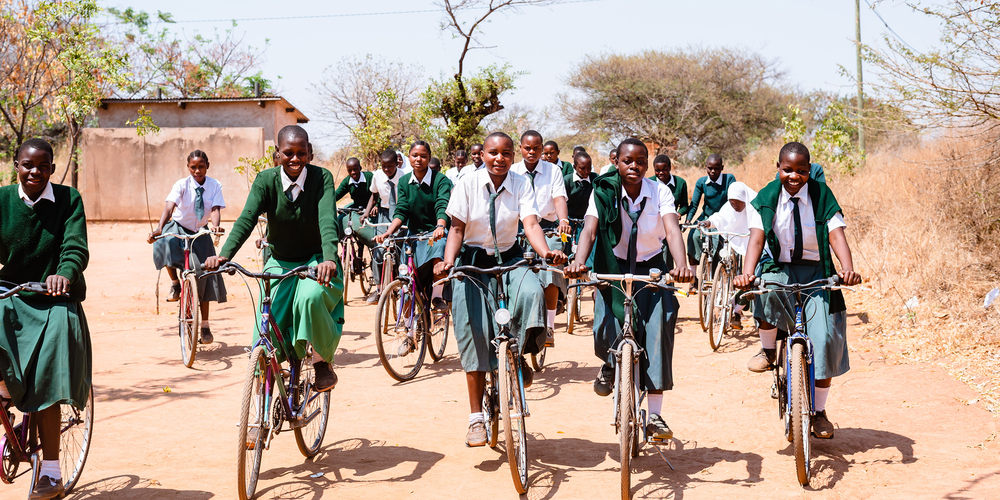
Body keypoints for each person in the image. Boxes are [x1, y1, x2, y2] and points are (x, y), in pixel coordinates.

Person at [434, 132, 567, 447]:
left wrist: (546, 252)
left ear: (512, 156)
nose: (499, 158)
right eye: (493, 152)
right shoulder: (467, 183)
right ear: (483, 154)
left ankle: (517, 354)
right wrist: (448, 261)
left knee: (533, 291)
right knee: (473, 333)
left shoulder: (521, 183)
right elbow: (456, 228)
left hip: (510, 258)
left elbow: (531, 224)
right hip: (472, 261)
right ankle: (475, 419)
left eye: (506, 153)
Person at [566, 138, 693, 441]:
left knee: (659, 327)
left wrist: (682, 264)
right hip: (613, 263)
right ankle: (610, 363)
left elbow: (672, 228)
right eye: (627, 161)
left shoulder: (660, 191)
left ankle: (656, 414)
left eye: (640, 161)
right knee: (603, 326)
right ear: (617, 163)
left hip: (650, 266)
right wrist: (578, 262)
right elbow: (590, 229)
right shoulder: (603, 190)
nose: (634, 166)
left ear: (647, 165)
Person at [733, 142, 862, 439]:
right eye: (788, 170)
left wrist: (847, 268)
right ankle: (768, 351)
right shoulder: (766, 197)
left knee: (827, 337)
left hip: (817, 270)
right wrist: (748, 273)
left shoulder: (821, 194)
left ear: (809, 171)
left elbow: (836, 234)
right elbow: (756, 238)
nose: (794, 176)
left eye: (801, 171)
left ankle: (818, 412)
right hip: (781, 265)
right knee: (764, 290)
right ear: (777, 167)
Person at [204, 125, 343, 393]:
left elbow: (327, 219)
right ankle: (260, 406)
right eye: (288, 153)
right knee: (265, 329)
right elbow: (247, 218)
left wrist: (328, 258)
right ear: (277, 154)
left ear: (309, 154)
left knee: (310, 298)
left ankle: (321, 361)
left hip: (316, 260)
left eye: (301, 153)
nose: (295, 159)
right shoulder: (266, 180)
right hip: (280, 261)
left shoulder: (321, 178)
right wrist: (224, 255)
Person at [0, 138, 91, 499]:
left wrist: (64, 274)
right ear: (17, 166)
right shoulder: (3, 200)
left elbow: (75, 246)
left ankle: (51, 472)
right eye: (27, 165)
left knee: (51, 365)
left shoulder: (69, 200)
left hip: (55, 295)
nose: (34, 171)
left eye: (42, 166)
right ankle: (9, 387)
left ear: (52, 169)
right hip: (11, 292)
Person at [147, 150, 227, 344]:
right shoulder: (181, 185)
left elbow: (215, 209)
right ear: (188, 167)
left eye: (201, 166)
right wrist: (159, 228)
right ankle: (175, 283)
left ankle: (205, 326)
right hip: (179, 227)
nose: (197, 171)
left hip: (200, 232)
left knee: (207, 273)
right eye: (193, 167)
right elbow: (169, 207)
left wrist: (215, 226)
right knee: (164, 243)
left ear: (208, 165)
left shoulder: (215, 185)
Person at [375, 140, 452, 330]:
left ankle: (437, 296)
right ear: (409, 158)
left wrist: (440, 225)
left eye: (423, 156)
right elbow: (402, 210)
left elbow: (442, 204)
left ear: (429, 158)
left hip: (435, 234)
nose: (419, 159)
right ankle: (409, 330)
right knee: (406, 284)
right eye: (415, 155)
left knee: (439, 254)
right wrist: (388, 232)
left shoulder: (440, 180)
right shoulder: (403, 182)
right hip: (414, 236)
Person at [512, 130, 572, 348]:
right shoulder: (513, 171)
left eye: (536, 148)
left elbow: (558, 198)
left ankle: (548, 326)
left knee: (551, 267)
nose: (532, 152)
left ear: (542, 149)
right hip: (519, 227)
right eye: (527, 148)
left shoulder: (553, 170)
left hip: (548, 227)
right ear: (520, 148)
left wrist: (563, 219)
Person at [699, 182, 757, 329]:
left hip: (753, 242)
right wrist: (707, 222)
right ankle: (726, 297)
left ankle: (737, 310)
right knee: (728, 267)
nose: (735, 206)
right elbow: (719, 218)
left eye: (738, 203)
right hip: (734, 239)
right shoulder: (729, 207)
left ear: (745, 199)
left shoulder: (755, 207)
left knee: (750, 277)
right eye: (732, 203)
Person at [684, 154, 736, 291]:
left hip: (723, 216)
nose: (713, 172)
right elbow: (694, 204)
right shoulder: (702, 182)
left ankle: (718, 278)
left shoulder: (729, 179)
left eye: (717, 169)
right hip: (706, 215)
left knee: (720, 244)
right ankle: (694, 277)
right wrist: (688, 220)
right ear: (706, 167)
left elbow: (733, 201)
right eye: (710, 168)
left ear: (722, 168)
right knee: (693, 237)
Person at [362, 149, 407, 303]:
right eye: (384, 166)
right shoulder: (377, 176)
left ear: (397, 163)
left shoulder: (405, 177)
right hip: (384, 214)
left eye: (390, 166)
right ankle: (379, 289)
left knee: (402, 251)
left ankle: (403, 287)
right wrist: (367, 212)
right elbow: (374, 196)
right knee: (378, 250)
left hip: (401, 215)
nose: (387, 169)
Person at [564, 151, 597, 241]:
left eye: (589, 168)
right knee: (567, 243)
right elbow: (562, 202)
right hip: (570, 219)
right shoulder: (567, 180)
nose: (587, 171)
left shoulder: (595, 179)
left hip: (587, 219)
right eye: (582, 168)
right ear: (574, 167)